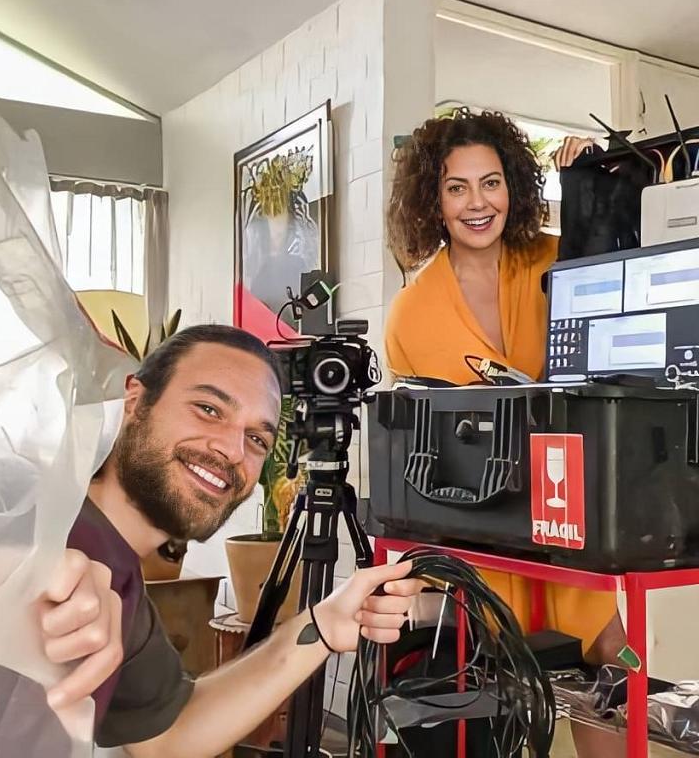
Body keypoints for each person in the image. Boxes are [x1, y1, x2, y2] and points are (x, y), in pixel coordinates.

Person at [43, 324, 419, 756]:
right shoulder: (34, 523)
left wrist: (322, 625)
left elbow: (167, 737)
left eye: (257, 438)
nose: (233, 450)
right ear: (135, 400)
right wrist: (30, 574)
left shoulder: (124, 583)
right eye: (208, 409)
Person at [384, 109, 624, 756]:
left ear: (512, 187)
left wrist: (593, 183)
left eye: (490, 183)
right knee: (494, 674)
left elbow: (618, 288)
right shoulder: (411, 312)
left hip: (569, 503)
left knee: (608, 651)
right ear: (433, 200)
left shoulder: (557, 259)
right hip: (482, 519)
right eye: (456, 187)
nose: (477, 203)